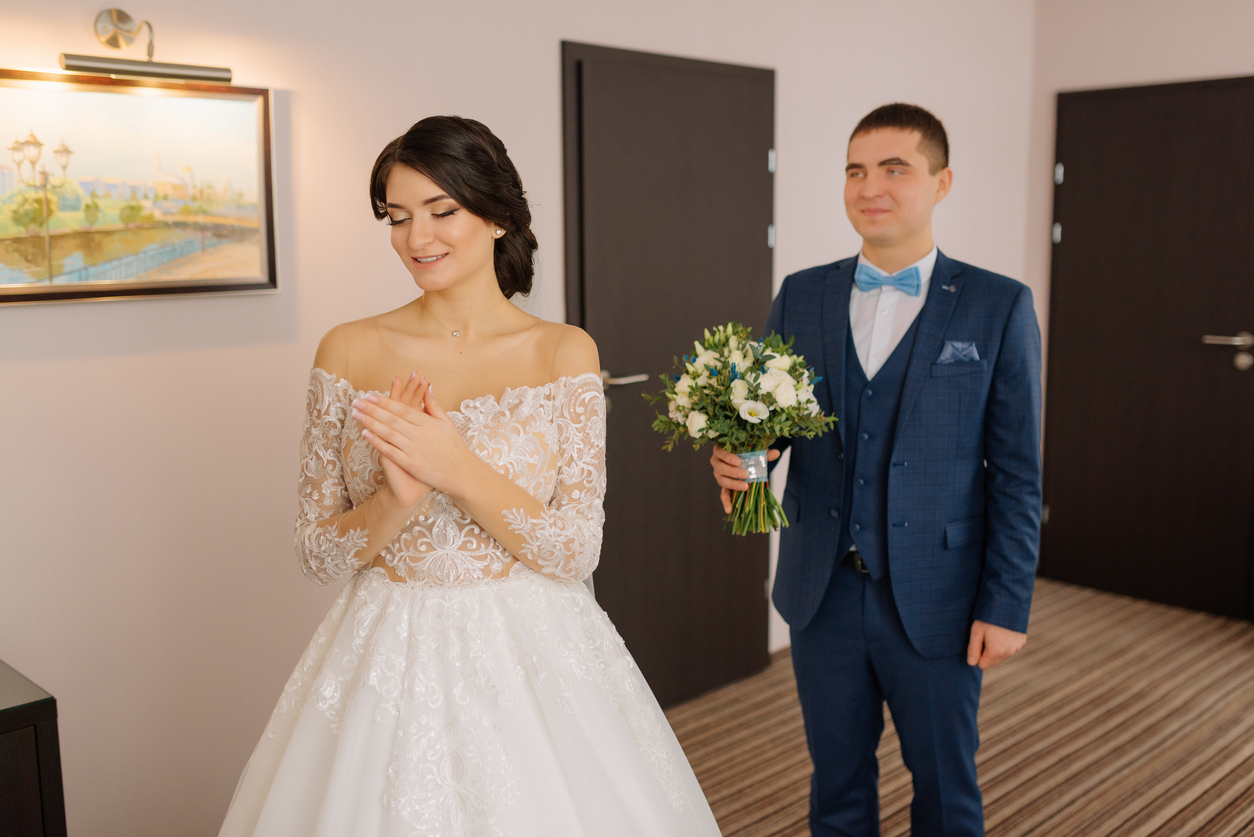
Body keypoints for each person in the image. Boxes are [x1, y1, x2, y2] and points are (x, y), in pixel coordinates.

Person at [219, 115, 721, 837]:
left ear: (498, 215)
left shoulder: (563, 353)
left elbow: (576, 550)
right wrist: (394, 499)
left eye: (441, 211)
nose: (416, 238)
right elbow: (314, 551)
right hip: (386, 656)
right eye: (397, 217)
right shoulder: (350, 348)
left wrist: (458, 468)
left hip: (533, 657)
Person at [709, 104, 1042, 836]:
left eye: (896, 168)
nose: (871, 187)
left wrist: (1006, 601)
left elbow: (1017, 474)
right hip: (820, 591)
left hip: (941, 599)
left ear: (942, 182)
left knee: (947, 791)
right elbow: (767, 426)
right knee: (837, 783)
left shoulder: (998, 305)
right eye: (856, 170)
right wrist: (743, 461)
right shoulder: (804, 293)